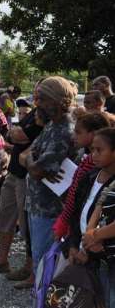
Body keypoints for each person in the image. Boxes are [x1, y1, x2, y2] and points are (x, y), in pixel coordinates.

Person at [0, 83, 45, 289]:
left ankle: (30, 266)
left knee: (26, 225)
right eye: (36, 91)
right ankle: (2, 260)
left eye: (40, 91)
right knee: (6, 217)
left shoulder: (47, 118)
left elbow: (19, 135)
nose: (36, 94)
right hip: (15, 171)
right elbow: (10, 134)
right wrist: (16, 133)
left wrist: (17, 133)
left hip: (28, 176)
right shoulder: (33, 113)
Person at [21, 76, 77, 276]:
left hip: (51, 209)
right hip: (39, 205)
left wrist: (32, 162)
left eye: (42, 99)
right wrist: (31, 160)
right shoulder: (52, 126)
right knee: (40, 261)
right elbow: (25, 156)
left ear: (57, 101)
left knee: (47, 264)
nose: (38, 104)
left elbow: (37, 171)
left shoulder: (64, 130)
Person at [82, 129, 115, 308]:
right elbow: (99, 205)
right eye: (92, 150)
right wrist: (89, 235)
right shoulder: (109, 181)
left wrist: (96, 235)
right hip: (104, 255)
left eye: (99, 150)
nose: (93, 155)